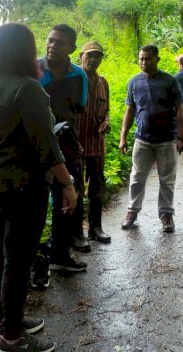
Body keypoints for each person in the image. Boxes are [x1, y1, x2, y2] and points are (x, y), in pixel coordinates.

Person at [0, 23, 76, 352]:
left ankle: (8, 321)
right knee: (18, 261)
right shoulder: (27, 88)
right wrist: (68, 183)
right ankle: (12, 337)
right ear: (26, 51)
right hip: (21, 186)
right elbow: (47, 145)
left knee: (3, 254)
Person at [119, 45, 183, 233]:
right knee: (136, 178)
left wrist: (181, 136)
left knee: (167, 180)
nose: (143, 62)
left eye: (148, 59)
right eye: (141, 59)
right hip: (142, 140)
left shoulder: (170, 81)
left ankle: (166, 215)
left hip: (166, 140)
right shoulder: (134, 82)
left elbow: (179, 109)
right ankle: (132, 212)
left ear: (157, 59)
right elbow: (130, 110)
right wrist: (123, 137)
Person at [38, 24, 89, 272]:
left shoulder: (79, 75)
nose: (52, 46)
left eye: (59, 42)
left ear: (72, 48)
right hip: (36, 148)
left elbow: (79, 108)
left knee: (66, 201)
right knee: (36, 201)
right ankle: (36, 258)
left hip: (66, 148)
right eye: (50, 41)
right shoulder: (33, 71)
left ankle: (59, 253)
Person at [78, 40, 112, 244]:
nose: (93, 59)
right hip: (76, 144)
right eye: (89, 55)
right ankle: (76, 233)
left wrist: (106, 121)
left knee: (97, 187)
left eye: (97, 56)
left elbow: (106, 109)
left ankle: (96, 228)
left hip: (97, 144)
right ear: (81, 56)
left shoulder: (103, 82)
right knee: (76, 188)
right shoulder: (74, 80)